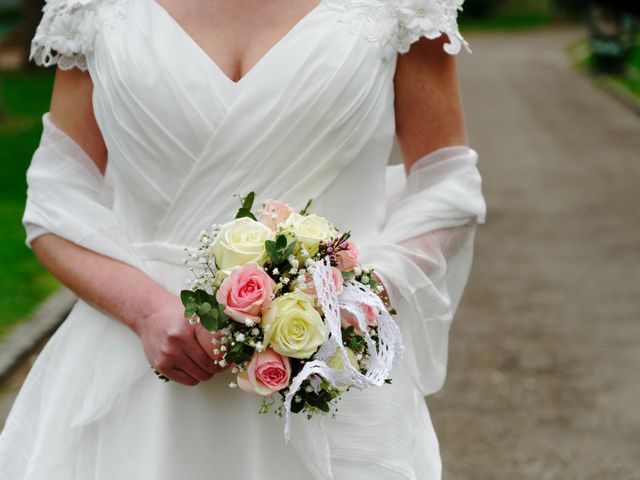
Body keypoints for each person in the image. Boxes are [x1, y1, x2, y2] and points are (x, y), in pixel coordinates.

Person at [0, 0, 486, 478]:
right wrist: (145, 310)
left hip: (328, 370)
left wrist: (354, 298)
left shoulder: (405, 8)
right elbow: (56, 197)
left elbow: (445, 182)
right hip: (131, 363)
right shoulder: (91, 7)